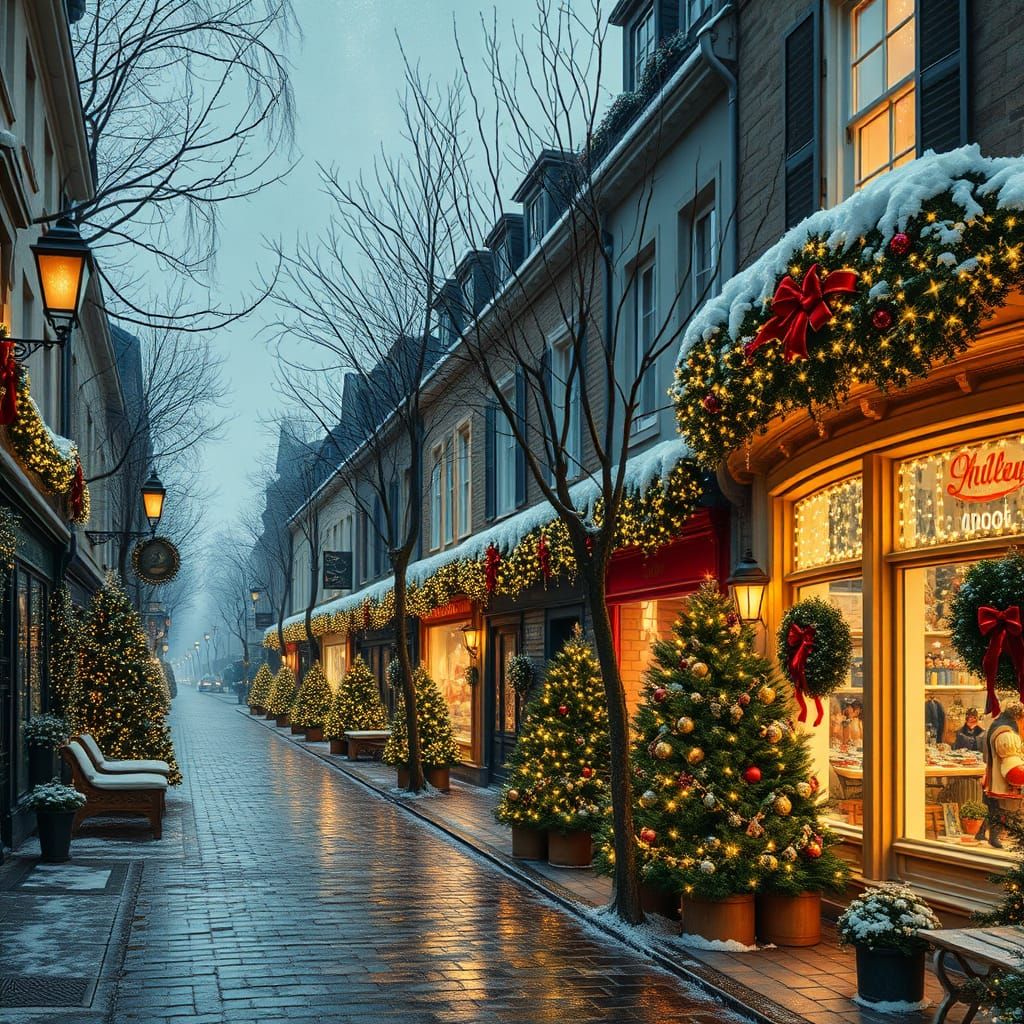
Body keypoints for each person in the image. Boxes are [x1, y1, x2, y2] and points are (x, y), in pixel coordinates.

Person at [982, 701, 1024, 849]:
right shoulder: (1006, 733)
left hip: (994, 772)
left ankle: (981, 832)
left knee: (994, 806)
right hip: (1002, 775)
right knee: (1003, 808)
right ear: (1018, 717)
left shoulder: (998, 725)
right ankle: (994, 837)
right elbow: (1011, 762)